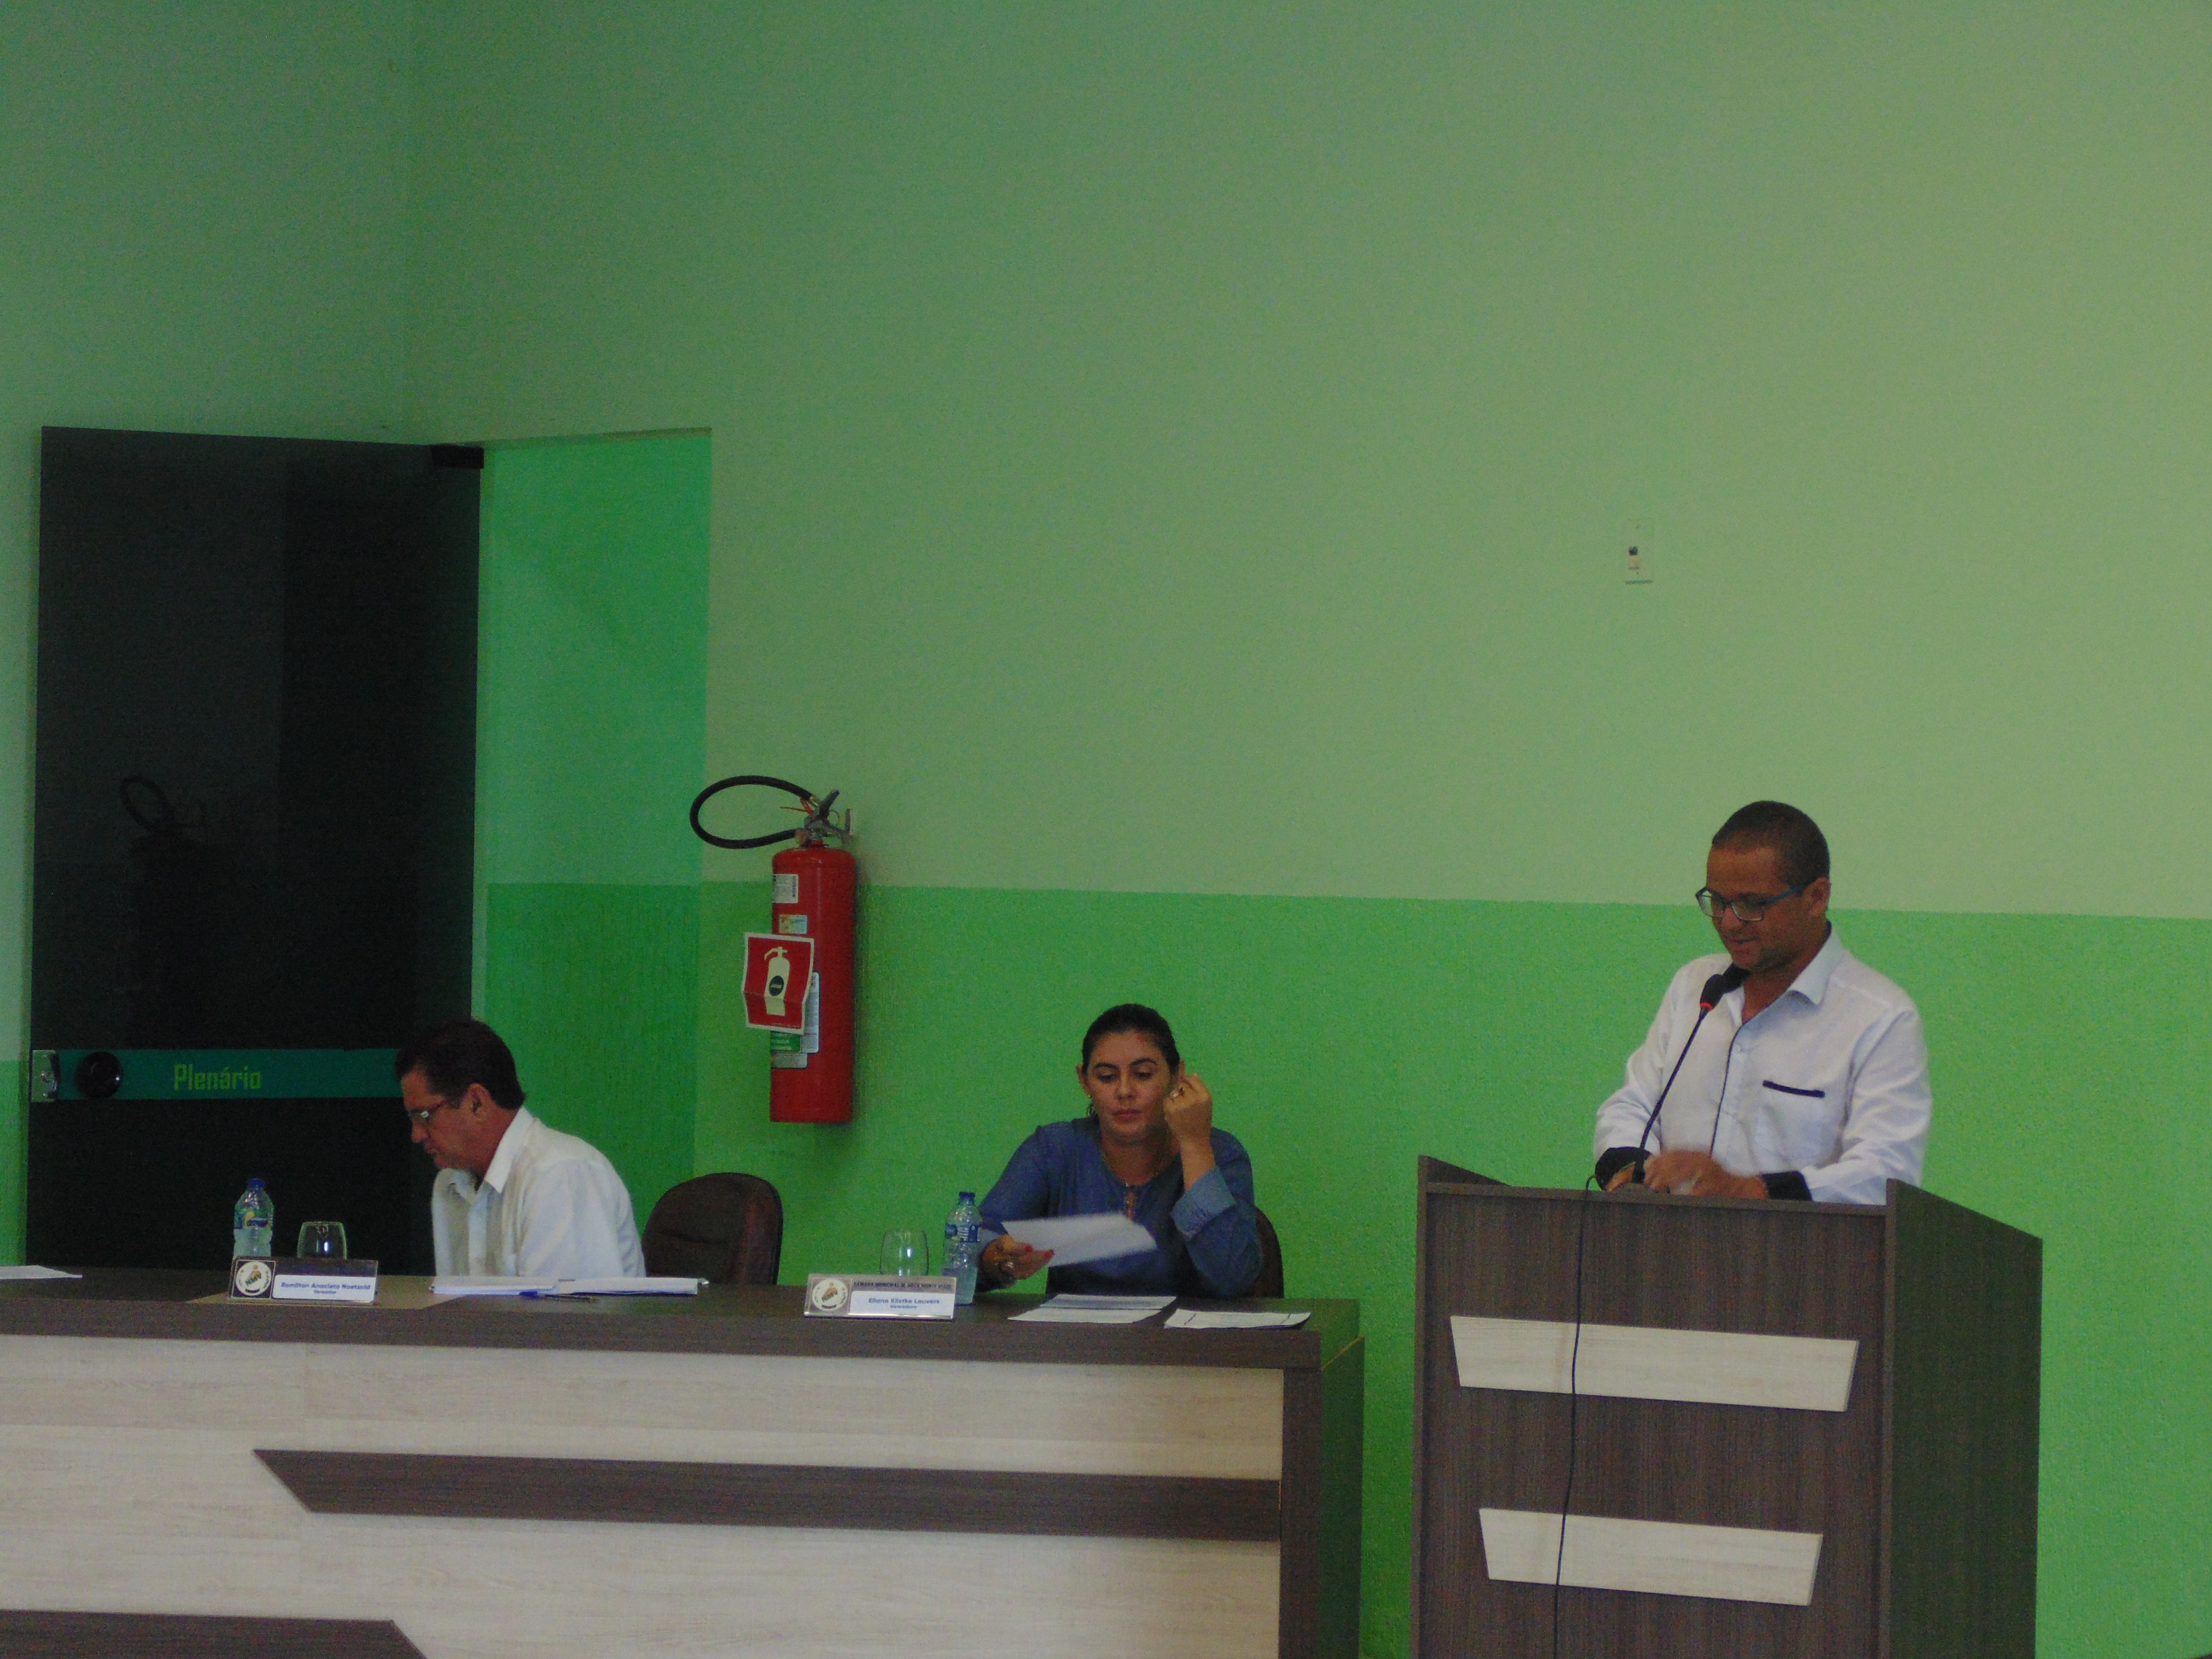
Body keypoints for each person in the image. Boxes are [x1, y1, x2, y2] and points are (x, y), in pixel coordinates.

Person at [1592, 802, 1930, 1206]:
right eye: (1717, 901)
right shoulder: (1696, 987)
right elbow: (1632, 1106)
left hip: (1798, 1246)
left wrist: (1751, 1190)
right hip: (1668, 1239)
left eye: (1752, 905)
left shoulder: (1881, 1019)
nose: (1729, 922)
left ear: (1816, 897)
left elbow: (1885, 1173)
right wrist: (1637, 1172)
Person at [977, 1003, 1263, 1297]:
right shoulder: (1054, 1149)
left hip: (1186, 1327)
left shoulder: (1219, 1152)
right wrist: (998, 1259)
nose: (1125, 1091)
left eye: (1143, 1074)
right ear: (1084, 1080)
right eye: (1107, 1077)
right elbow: (972, 1247)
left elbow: (1234, 1279)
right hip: (1075, 1327)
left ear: (1177, 1075)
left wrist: (1195, 1146)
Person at [398, 1017, 645, 1280]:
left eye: (424, 1116)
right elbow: (453, 1301)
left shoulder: (559, 1174)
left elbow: (566, 1307)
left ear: (476, 1103)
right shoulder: (450, 1184)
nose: (417, 1135)